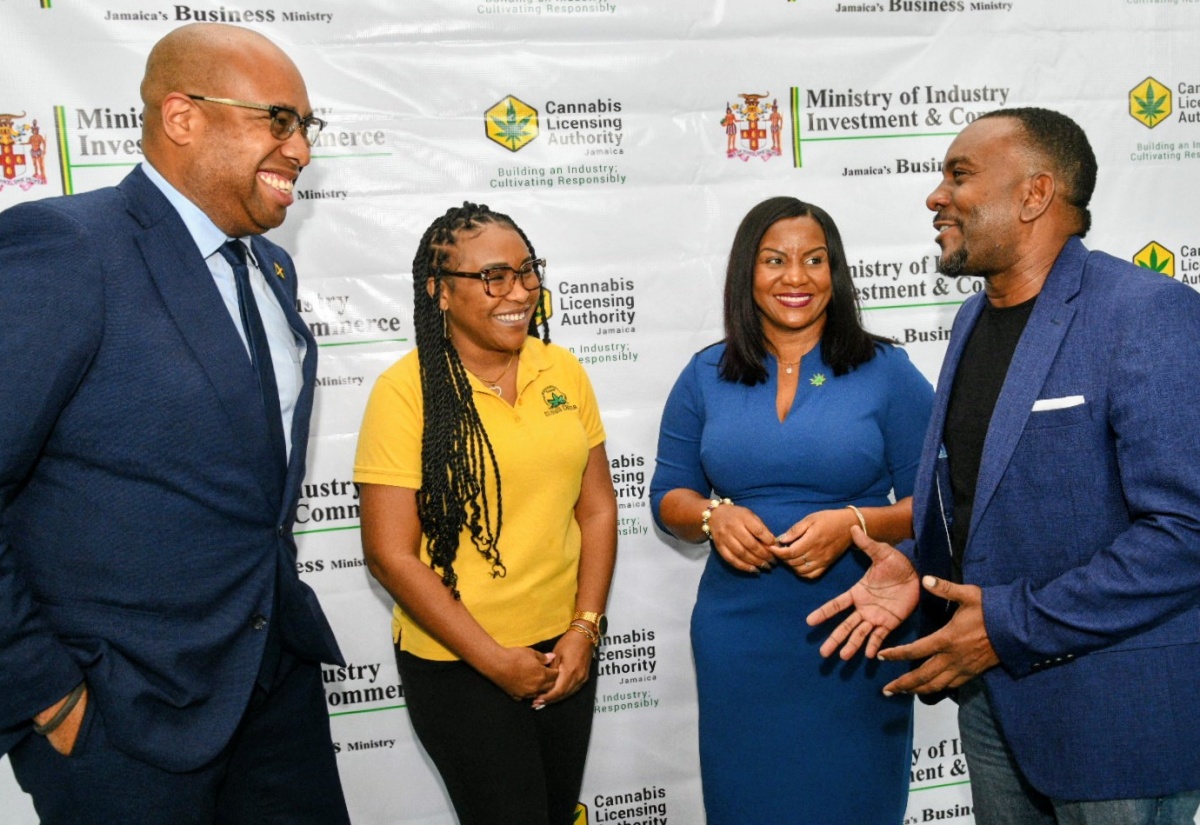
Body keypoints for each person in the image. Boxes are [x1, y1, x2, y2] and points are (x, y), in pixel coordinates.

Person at [0, 23, 350, 824]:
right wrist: (49, 696)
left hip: (272, 688)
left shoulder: (270, 265)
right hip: (122, 718)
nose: (300, 149)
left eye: (307, 127)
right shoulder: (67, 246)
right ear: (183, 117)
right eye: (278, 119)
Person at [809, 108, 1200, 824]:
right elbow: (984, 495)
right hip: (994, 707)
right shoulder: (971, 319)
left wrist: (1009, 623)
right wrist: (918, 563)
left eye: (959, 175)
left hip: (1116, 724)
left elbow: (1184, 530)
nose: (936, 196)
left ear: (1034, 194)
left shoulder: (1149, 312)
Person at [649, 196, 934, 823]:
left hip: (858, 624)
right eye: (775, 260)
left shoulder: (887, 372)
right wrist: (711, 517)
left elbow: (938, 502)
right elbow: (669, 493)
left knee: (851, 800)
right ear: (746, 273)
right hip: (739, 636)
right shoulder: (705, 375)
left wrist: (856, 522)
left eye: (814, 260)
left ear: (836, 273)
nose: (796, 278)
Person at [355, 202, 617, 825]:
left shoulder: (563, 369)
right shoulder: (405, 392)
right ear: (439, 292)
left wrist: (584, 630)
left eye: (528, 272)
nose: (519, 292)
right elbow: (389, 553)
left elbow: (598, 507)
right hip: (460, 664)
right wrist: (496, 659)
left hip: (565, 655)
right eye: (493, 277)